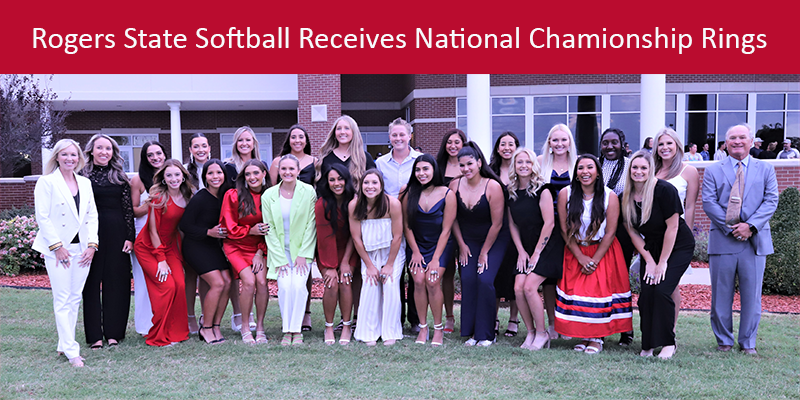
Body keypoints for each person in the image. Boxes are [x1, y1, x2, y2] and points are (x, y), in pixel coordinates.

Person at [702, 124, 778, 355]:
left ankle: (748, 343)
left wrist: (750, 227)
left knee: (752, 295)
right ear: (726, 143)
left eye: (742, 137)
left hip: (754, 242)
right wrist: (733, 228)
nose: (737, 141)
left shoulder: (765, 169)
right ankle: (724, 341)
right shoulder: (713, 170)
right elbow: (709, 202)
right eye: (732, 137)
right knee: (720, 295)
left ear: (751, 140)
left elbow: (771, 201)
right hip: (724, 240)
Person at [555, 155, 633, 354]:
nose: (585, 172)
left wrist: (594, 260)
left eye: (590, 167)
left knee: (598, 294)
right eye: (580, 168)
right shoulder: (566, 193)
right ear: (576, 173)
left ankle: (597, 338)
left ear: (598, 172)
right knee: (579, 294)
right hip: (576, 250)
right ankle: (584, 336)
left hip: (603, 251)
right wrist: (581, 257)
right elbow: (564, 229)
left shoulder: (609, 196)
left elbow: (610, 232)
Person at [621, 151, 695, 359]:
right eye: (635, 167)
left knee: (662, 290)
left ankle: (668, 343)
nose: (638, 171)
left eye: (644, 168)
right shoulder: (625, 197)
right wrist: (650, 261)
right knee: (646, 296)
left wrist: (662, 263)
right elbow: (633, 232)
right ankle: (648, 344)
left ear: (651, 170)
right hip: (651, 247)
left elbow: (672, 228)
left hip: (678, 245)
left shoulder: (664, 190)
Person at [32, 139, 99, 367]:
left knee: (74, 298)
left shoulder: (85, 183)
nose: (70, 158)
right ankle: (72, 352)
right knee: (62, 299)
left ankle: (64, 343)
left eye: (73, 154)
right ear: (57, 157)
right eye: (65, 155)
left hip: (81, 250)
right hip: (59, 250)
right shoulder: (47, 182)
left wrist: (92, 245)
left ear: (79, 157)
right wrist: (57, 247)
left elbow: (92, 216)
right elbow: (43, 216)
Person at [317, 115, 376, 331]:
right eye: (338, 128)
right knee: (342, 276)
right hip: (332, 219)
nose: (342, 132)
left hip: (360, 217)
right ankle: (343, 321)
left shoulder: (364, 156)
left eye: (347, 128)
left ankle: (359, 317)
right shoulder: (325, 158)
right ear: (334, 132)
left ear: (354, 132)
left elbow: (374, 184)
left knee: (356, 273)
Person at [80, 134, 135, 350]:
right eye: (100, 148)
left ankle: (114, 333)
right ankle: (94, 335)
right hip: (89, 234)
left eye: (109, 148)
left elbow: (128, 209)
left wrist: (130, 237)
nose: (104, 152)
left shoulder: (120, 177)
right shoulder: (80, 176)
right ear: (91, 151)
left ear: (113, 152)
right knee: (91, 284)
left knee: (117, 283)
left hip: (116, 232)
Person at [450, 143, 506, 347]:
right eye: (462, 165)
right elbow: (452, 219)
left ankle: (487, 334)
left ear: (479, 163)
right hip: (468, 240)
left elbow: (498, 223)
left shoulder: (492, 186)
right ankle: (473, 333)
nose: (466, 169)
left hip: (494, 239)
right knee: (468, 279)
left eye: (470, 164)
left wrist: (484, 253)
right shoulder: (455, 185)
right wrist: (462, 245)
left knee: (484, 279)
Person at [134, 159, 194, 347]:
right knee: (167, 286)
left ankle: (176, 332)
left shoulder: (188, 196)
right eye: (169, 175)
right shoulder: (159, 197)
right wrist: (161, 259)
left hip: (171, 247)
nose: (173, 178)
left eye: (177, 174)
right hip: (148, 248)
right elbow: (152, 230)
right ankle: (158, 335)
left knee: (180, 286)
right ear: (163, 178)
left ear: (183, 176)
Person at [507, 148, 561, 351]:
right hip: (526, 247)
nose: (523, 166)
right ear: (514, 165)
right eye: (519, 162)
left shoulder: (543, 189)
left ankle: (542, 333)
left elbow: (549, 223)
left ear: (533, 166)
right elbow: (512, 225)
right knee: (518, 288)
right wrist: (521, 251)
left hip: (547, 245)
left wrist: (537, 253)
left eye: (527, 162)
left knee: (529, 287)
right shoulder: (510, 190)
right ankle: (530, 332)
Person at [401, 154, 456, 346]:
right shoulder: (408, 193)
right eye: (417, 169)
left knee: (432, 282)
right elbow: (406, 227)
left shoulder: (447, 194)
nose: (421, 173)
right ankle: (423, 328)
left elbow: (447, 229)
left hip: (440, 246)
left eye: (425, 169)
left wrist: (435, 259)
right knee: (418, 280)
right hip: (416, 245)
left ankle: (438, 329)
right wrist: (415, 251)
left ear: (434, 170)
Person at [263, 155, 317, 346]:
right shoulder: (268, 195)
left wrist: (304, 254)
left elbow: (311, 225)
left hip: (303, 251)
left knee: (299, 287)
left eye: (291, 169)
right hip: (280, 252)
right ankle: (288, 330)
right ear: (278, 171)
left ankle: (297, 331)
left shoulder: (308, 192)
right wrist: (279, 258)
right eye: (283, 169)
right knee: (285, 288)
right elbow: (269, 230)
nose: (287, 172)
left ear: (298, 170)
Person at [375, 118, 422, 334]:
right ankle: (395, 319)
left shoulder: (419, 160)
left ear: (410, 136)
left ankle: (415, 319)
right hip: (389, 223)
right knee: (393, 271)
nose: (398, 138)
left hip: (414, 221)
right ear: (389, 137)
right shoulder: (381, 163)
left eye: (402, 134)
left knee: (413, 272)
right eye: (394, 135)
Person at [179, 159, 233, 344]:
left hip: (212, 246)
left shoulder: (226, 196)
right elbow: (185, 225)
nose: (215, 177)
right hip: (195, 246)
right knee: (217, 283)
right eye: (210, 173)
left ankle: (216, 325)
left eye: (218, 172)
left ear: (224, 175)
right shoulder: (201, 197)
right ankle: (206, 328)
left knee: (227, 281)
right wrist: (208, 232)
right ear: (205, 177)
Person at [350, 169, 405, 346]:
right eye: (366, 183)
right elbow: (356, 239)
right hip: (369, 254)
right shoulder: (355, 205)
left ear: (381, 185)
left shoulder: (392, 204)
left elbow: (397, 236)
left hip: (392, 252)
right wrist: (370, 266)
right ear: (361, 185)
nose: (370, 186)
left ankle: (390, 331)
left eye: (374, 183)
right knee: (370, 285)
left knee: (389, 285)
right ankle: (369, 331)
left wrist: (389, 265)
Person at [220, 159, 271, 344]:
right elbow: (229, 227)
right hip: (235, 245)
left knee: (262, 282)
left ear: (264, 174)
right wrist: (250, 230)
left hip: (258, 248)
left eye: (256, 173)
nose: (252, 177)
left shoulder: (269, 196)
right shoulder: (233, 195)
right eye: (248, 174)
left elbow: (271, 229)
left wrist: (260, 252)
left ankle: (260, 327)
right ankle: (244, 326)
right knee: (249, 282)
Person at [653, 127, 700, 329]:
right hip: (651, 235)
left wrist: (687, 235)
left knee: (670, 284)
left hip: (676, 234)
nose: (665, 148)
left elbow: (690, 206)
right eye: (661, 144)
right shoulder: (650, 169)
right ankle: (654, 328)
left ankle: (669, 330)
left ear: (677, 146)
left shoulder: (689, 171)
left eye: (669, 143)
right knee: (653, 283)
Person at [537, 124, 577, 340]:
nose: (560, 144)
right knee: (549, 278)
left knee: (568, 277)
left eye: (564, 140)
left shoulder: (577, 164)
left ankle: (568, 322)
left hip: (572, 228)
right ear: (549, 143)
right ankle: (552, 323)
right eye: (555, 140)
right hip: (547, 227)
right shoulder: (540, 162)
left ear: (570, 142)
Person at [598, 128, 636, 346]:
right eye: (605, 143)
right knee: (600, 281)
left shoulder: (631, 165)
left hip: (622, 230)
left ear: (622, 143)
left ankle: (625, 329)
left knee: (620, 280)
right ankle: (599, 326)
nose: (610, 147)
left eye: (614, 142)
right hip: (596, 230)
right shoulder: (595, 164)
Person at [315, 164, 358, 345]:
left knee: (346, 282)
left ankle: (347, 325)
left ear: (346, 180)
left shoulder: (354, 201)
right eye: (332, 179)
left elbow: (355, 235)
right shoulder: (322, 203)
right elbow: (325, 237)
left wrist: (346, 261)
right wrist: (330, 267)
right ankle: (329, 326)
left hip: (350, 248)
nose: (336, 183)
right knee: (332, 284)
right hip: (327, 250)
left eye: (340, 179)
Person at [129, 141, 165, 336]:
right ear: (145, 158)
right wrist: (149, 206)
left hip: (166, 235)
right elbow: (132, 210)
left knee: (166, 281)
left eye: (158, 153)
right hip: (143, 235)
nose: (155, 158)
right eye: (150, 155)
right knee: (143, 281)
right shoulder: (138, 180)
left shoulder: (171, 176)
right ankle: (145, 325)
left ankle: (165, 320)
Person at [435, 128, 468, 334]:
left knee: (466, 273)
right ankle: (449, 317)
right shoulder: (438, 167)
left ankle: (469, 314)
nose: (453, 146)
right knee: (446, 274)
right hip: (443, 227)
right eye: (449, 142)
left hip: (467, 226)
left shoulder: (470, 166)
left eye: (457, 142)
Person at [489, 131, 520, 337]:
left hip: (518, 227)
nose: (507, 148)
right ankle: (494, 319)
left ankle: (514, 319)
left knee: (514, 274)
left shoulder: (523, 168)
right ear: (497, 148)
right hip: (496, 228)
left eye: (511, 144)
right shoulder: (490, 171)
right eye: (503, 144)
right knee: (496, 275)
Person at [184, 133, 210, 334]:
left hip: (212, 228)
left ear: (209, 148)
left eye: (204, 145)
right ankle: (190, 316)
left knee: (207, 274)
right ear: (191, 150)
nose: (200, 149)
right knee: (191, 274)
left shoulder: (217, 169)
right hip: (191, 228)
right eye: (196, 146)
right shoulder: (185, 172)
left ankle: (205, 315)